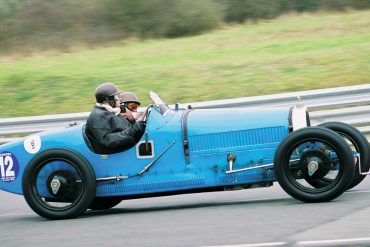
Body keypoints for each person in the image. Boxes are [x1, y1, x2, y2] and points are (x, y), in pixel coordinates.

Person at [85, 82, 146, 154]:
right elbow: (107, 141)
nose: (119, 99)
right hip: (118, 153)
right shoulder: (98, 116)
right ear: (108, 100)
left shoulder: (111, 110)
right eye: (116, 96)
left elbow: (121, 126)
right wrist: (134, 129)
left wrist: (133, 120)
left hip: (128, 147)